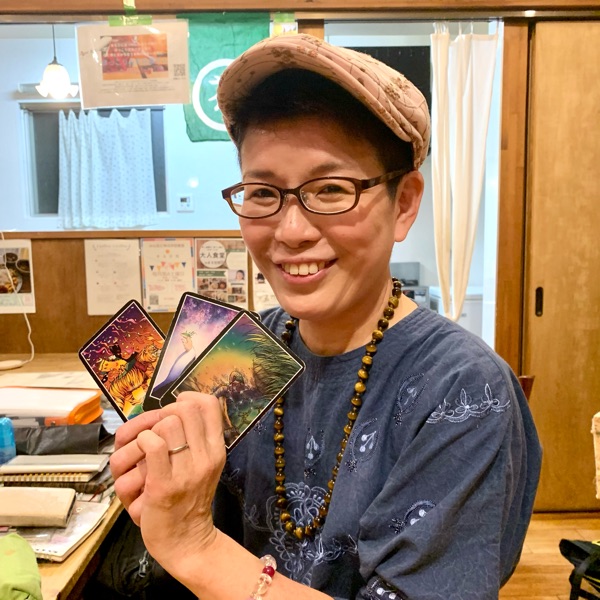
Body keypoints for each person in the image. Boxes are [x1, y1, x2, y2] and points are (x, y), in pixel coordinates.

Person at [111, 33, 541, 600]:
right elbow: (192, 521)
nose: (291, 231)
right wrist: (157, 484)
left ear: (405, 203)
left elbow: (199, 545)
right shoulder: (243, 349)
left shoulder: (463, 389)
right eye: (262, 192)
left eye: (332, 189)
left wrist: (195, 546)